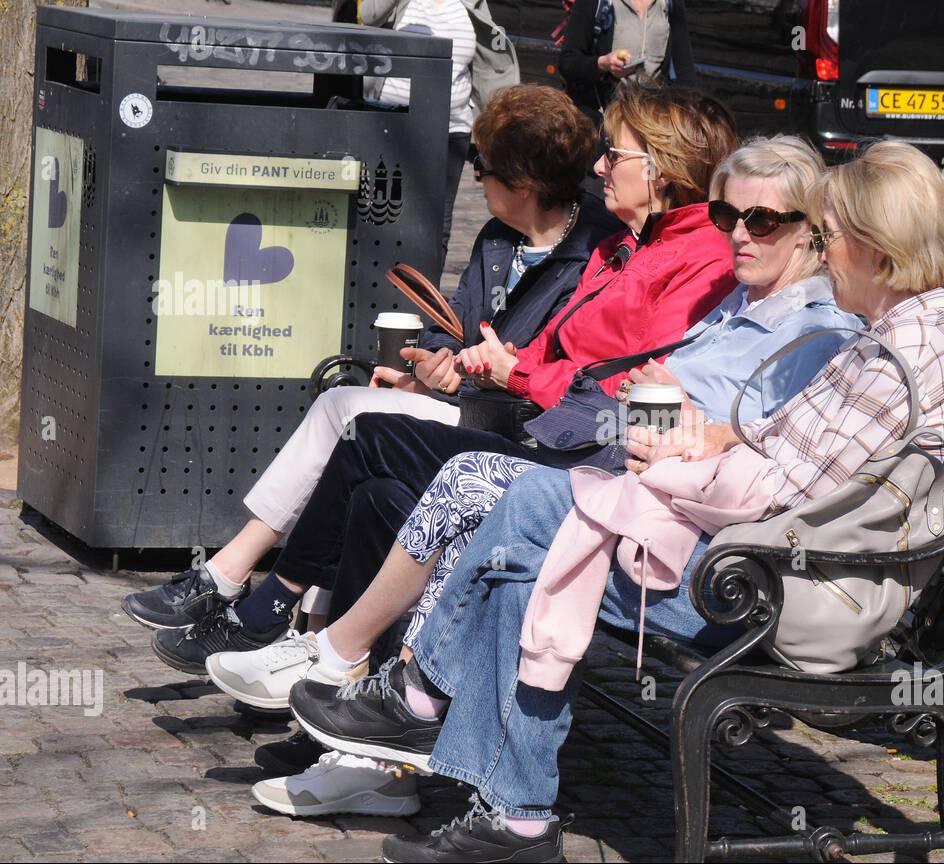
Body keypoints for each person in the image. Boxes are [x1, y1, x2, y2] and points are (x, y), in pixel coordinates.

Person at [291, 140, 944, 862]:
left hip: (780, 590)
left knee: (533, 508)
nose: (822, 247)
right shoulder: (905, 335)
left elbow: (781, 493)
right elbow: (771, 441)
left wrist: (676, 466)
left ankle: (422, 697)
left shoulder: (894, 358)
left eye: (829, 235)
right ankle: (511, 813)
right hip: (774, 564)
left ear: (877, 247)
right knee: (524, 553)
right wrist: (701, 442)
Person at [207, 136, 860, 805]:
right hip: (623, 474)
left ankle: (355, 676)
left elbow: (766, 460)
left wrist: (657, 416)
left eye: (763, 220)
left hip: (678, 533)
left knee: (464, 480)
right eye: (727, 216)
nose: (741, 235)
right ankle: (374, 740)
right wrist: (649, 405)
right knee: (392, 490)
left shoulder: (813, 332)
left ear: (811, 230)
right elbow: (659, 413)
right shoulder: (736, 305)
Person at [141, 84, 740, 678]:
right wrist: (465, 369)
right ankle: (325, 667)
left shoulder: (687, 257)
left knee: (364, 433)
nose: (601, 166)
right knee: (374, 483)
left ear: (660, 168)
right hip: (538, 422)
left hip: (582, 455)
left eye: (616, 154)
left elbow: (633, 387)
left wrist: (512, 371)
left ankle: (273, 611)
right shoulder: (619, 246)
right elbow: (536, 345)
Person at [360, 0, 478, 273]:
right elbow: (369, 16)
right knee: (381, 211)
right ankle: (376, 290)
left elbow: (491, 62)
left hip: (451, 128)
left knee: (437, 221)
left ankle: (424, 300)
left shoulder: (471, 4)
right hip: (391, 125)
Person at [559, 0, 696, 128]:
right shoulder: (595, 3)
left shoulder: (670, 3)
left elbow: (684, 69)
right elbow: (568, 62)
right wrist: (603, 63)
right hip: (605, 120)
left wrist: (689, 116)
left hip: (653, 122)